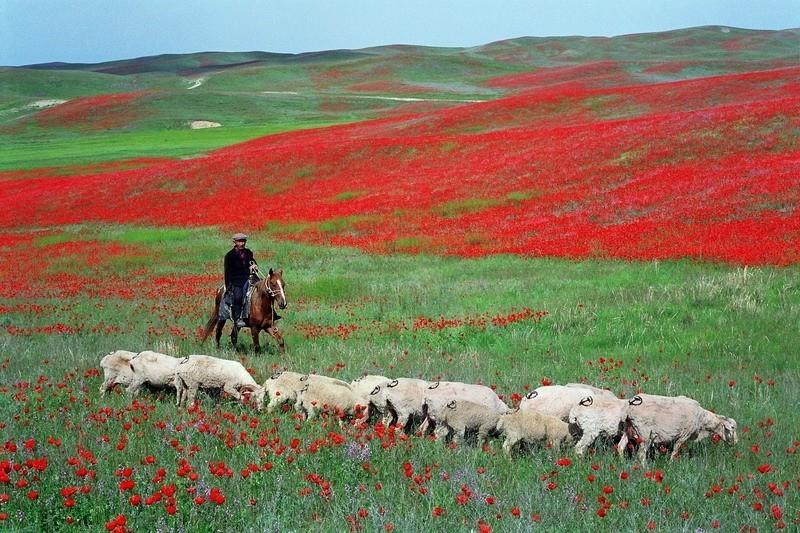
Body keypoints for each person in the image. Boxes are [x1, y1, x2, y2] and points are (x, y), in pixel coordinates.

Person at [224, 233, 257, 328]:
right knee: (238, 297)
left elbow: (252, 262)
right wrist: (229, 286)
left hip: (248, 278)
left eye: (243, 241)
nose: (242, 243)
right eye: (239, 241)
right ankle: (238, 318)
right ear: (234, 242)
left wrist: (254, 266)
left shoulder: (248, 252)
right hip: (236, 281)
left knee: (263, 290)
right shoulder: (229, 256)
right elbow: (227, 272)